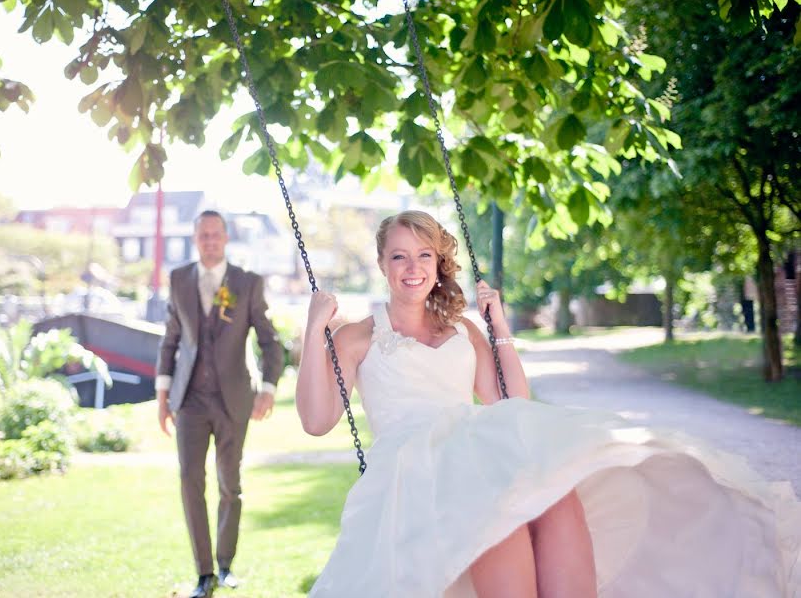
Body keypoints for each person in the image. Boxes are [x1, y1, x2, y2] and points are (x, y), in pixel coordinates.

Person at [296, 210, 800, 598]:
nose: (412, 268)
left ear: (438, 263)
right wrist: (314, 328)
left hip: (473, 442)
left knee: (555, 495)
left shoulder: (462, 329)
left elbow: (512, 400)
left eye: (423, 255)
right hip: (416, 465)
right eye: (399, 256)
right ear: (382, 263)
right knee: (498, 513)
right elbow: (317, 421)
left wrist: (499, 326)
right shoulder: (357, 336)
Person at [156, 210, 285, 598]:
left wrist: (268, 387)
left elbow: (270, 340)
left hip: (234, 399)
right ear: (195, 239)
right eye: (203, 235)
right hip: (190, 400)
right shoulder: (179, 280)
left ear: (226, 238)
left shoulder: (247, 282)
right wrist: (163, 397)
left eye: (215, 235)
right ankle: (204, 573)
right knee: (189, 480)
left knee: (231, 484)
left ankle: (226, 565)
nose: (209, 241)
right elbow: (171, 341)